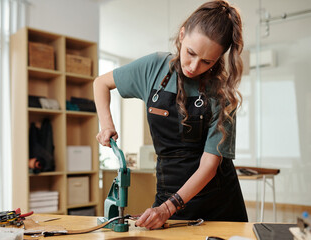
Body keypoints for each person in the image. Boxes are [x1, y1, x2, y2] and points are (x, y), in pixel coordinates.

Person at [94, 0, 248, 230]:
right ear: (182, 35)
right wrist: (107, 124)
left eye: (207, 61)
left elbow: (209, 165)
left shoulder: (221, 93)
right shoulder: (154, 68)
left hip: (219, 202)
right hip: (168, 192)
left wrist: (168, 208)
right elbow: (101, 83)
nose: (194, 66)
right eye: (191, 53)